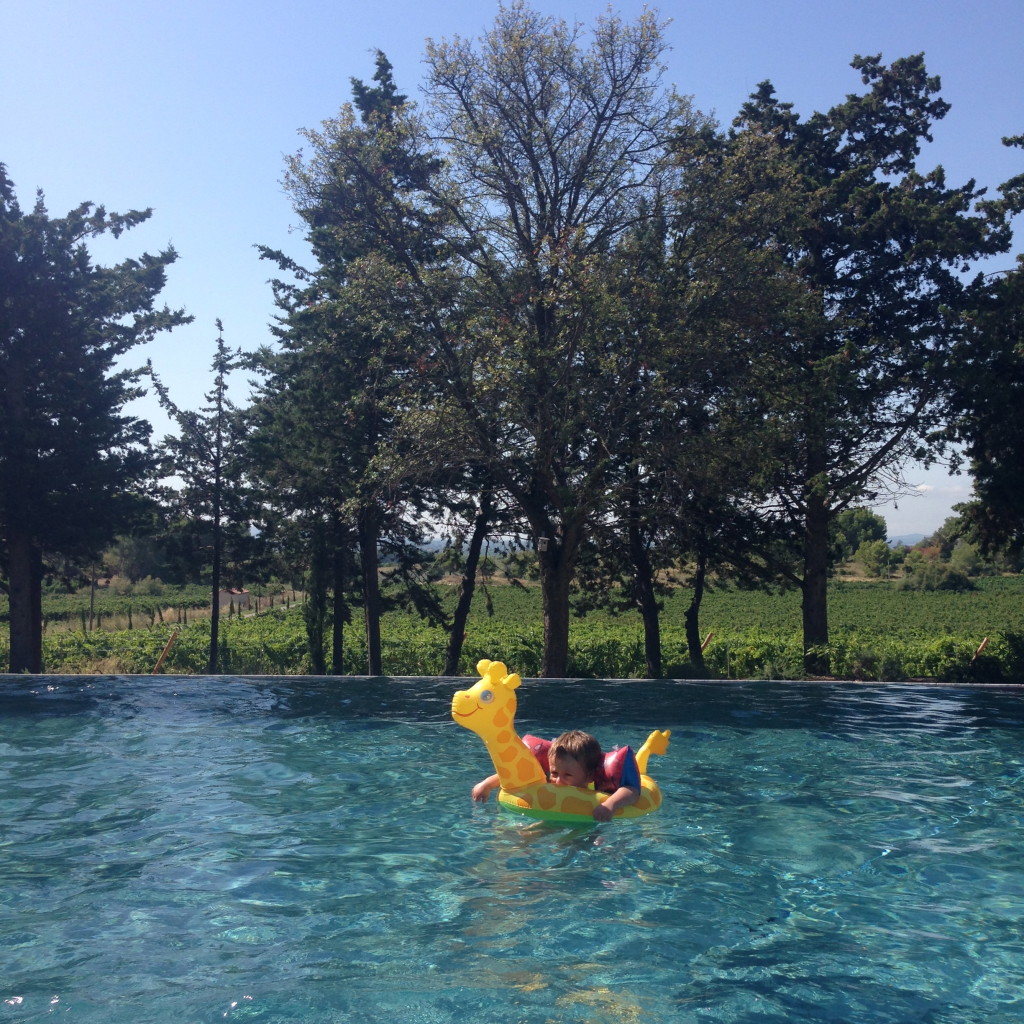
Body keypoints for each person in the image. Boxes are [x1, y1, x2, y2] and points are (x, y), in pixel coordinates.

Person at [470, 729, 641, 822]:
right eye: (554, 773)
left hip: (586, 821)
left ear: (589, 776)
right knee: (530, 834)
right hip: (554, 814)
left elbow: (631, 790)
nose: (558, 780)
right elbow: (517, 776)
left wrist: (610, 805)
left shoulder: (594, 791)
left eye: (567, 775)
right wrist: (487, 784)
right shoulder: (548, 782)